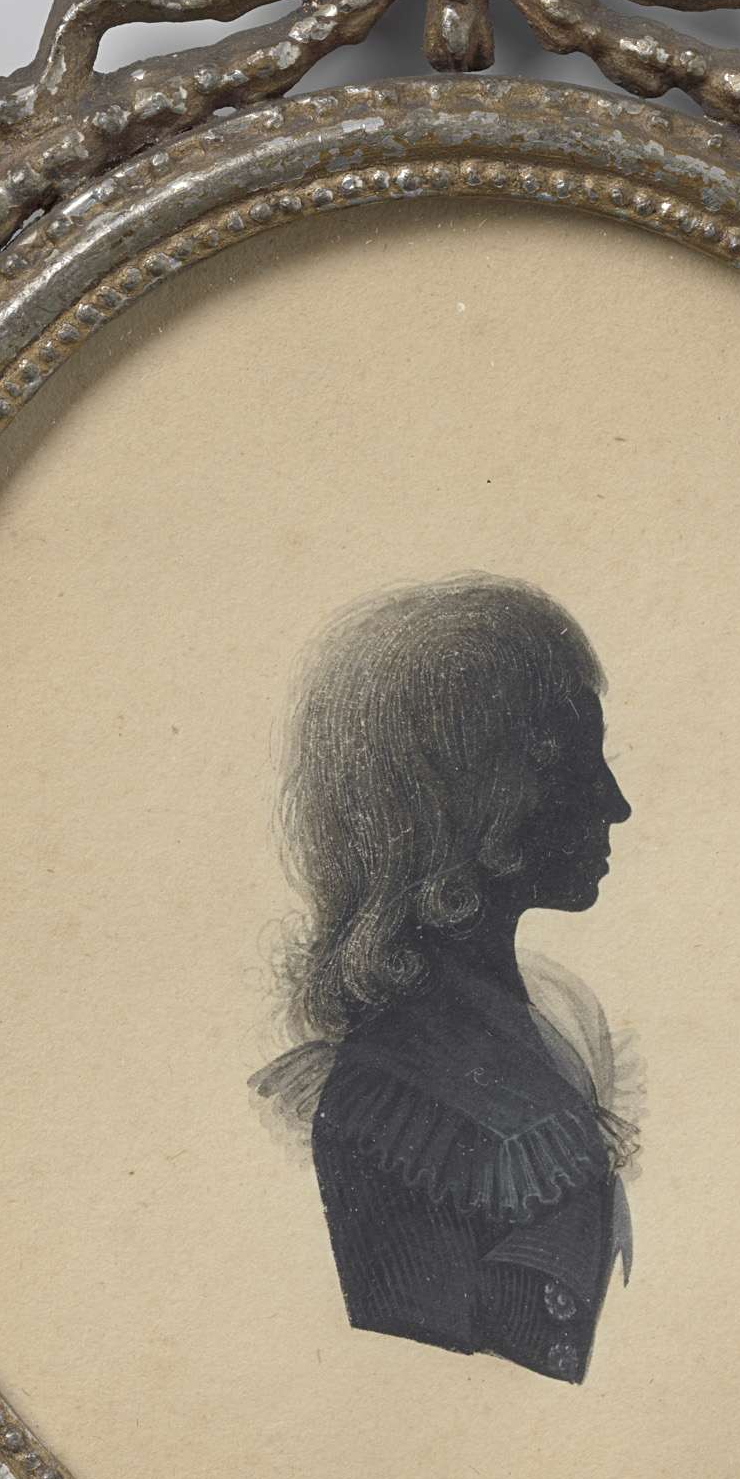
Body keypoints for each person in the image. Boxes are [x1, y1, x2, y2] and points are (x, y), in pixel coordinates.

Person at [251, 575, 637, 1383]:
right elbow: (429, 1396)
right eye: (576, 766)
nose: (614, 803)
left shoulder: (556, 1014)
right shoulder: (402, 1108)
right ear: (476, 799)